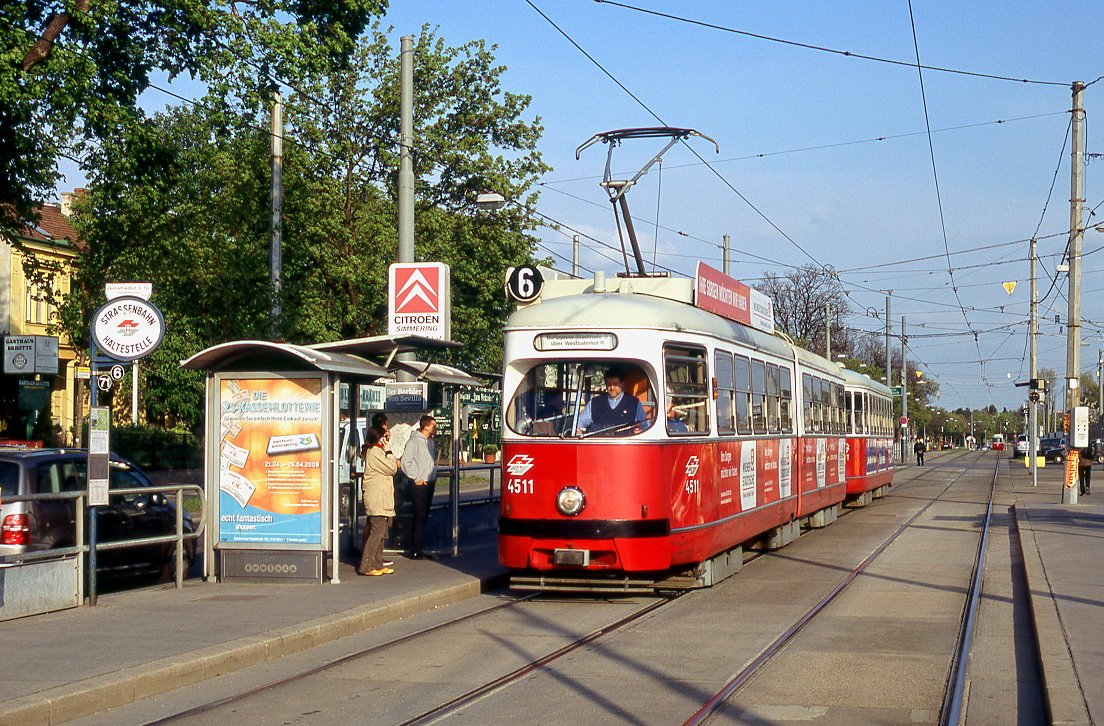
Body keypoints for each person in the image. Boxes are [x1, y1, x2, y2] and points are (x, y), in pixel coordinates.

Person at [359, 427, 397, 576]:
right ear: (379, 439)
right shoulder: (375, 452)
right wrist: (389, 451)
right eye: (385, 436)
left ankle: (378, 563)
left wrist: (388, 442)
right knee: (377, 532)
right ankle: (366, 565)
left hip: (381, 498)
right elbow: (392, 468)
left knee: (381, 533)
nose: (387, 438)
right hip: (377, 498)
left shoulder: (377, 451)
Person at [400, 415, 438, 559]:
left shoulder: (430, 442)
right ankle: (415, 549)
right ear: (426, 426)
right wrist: (416, 478)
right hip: (419, 484)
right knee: (419, 516)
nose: (436, 428)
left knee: (424, 516)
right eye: (434, 426)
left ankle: (419, 547)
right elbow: (406, 462)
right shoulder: (414, 442)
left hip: (429, 482)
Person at [576, 366, 648, 436]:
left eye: (615, 384)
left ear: (622, 384)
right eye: (609, 385)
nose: (612, 388)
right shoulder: (594, 403)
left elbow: (645, 426)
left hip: (625, 445)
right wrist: (578, 431)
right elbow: (579, 423)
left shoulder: (634, 403)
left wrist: (639, 431)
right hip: (599, 444)